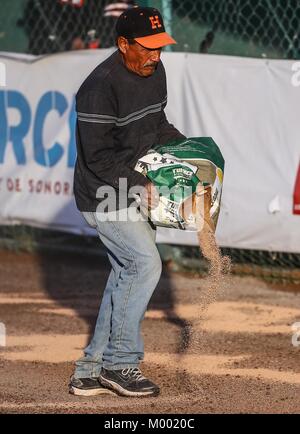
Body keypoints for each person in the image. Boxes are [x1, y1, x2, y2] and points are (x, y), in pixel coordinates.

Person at [69, 6, 186, 398]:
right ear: (123, 44)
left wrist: (184, 150)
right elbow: (98, 158)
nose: (156, 54)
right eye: (148, 47)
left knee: (124, 275)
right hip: (102, 193)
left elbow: (156, 123)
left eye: (160, 46)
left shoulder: (154, 71)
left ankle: (89, 370)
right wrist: (140, 183)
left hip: (133, 186)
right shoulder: (99, 87)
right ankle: (120, 365)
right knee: (144, 264)